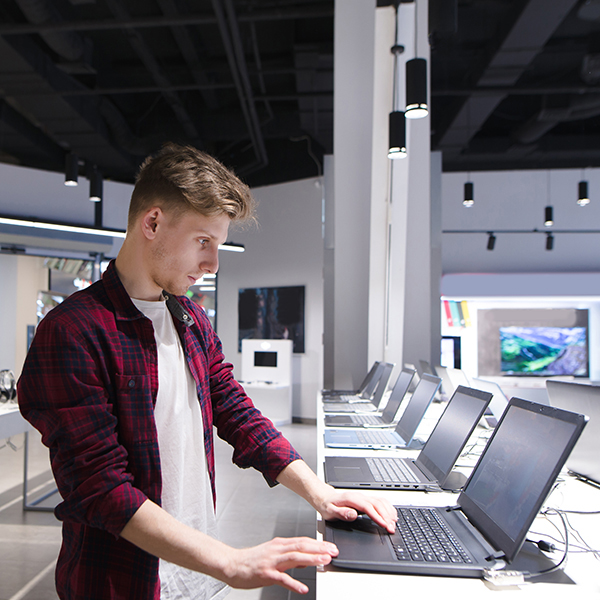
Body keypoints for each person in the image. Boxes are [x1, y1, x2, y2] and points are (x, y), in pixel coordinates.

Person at [17, 143, 397, 600]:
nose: (213, 264)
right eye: (203, 242)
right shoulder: (73, 331)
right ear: (152, 223)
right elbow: (100, 488)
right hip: (121, 582)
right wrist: (230, 560)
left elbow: (235, 410)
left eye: (218, 245)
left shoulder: (191, 320)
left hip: (194, 578)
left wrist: (320, 491)